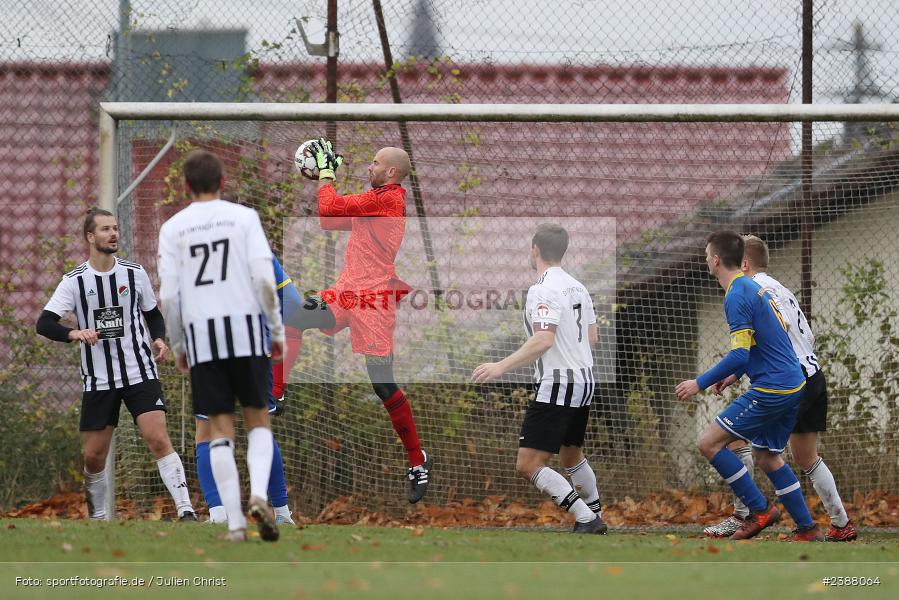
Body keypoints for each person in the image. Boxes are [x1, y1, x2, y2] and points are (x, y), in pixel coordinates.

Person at [285, 139, 432, 503]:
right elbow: (328, 218)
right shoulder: (375, 200)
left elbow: (329, 204)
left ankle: (418, 460)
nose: (370, 166)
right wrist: (325, 180)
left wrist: (326, 173)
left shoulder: (388, 198)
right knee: (295, 320)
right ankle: (276, 393)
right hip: (346, 293)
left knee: (383, 385)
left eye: (376, 162)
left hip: (374, 301)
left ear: (391, 172)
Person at [36, 208, 196, 522]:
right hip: (99, 378)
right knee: (94, 456)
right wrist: (74, 333)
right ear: (90, 236)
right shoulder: (74, 281)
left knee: (158, 438)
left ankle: (186, 510)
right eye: (105, 229)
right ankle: (99, 518)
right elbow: (44, 323)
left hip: (139, 370)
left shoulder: (134, 273)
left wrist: (159, 338)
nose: (113, 234)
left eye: (115, 228)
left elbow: (152, 314)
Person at [158, 149, 285, 542]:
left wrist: (179, 344)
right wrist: (275, 330)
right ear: (223, 182)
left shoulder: (173, 228)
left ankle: (235, 524)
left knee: (218, 430)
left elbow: (170, 296)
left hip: (203, 340)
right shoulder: (244, 218)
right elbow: (264, 279)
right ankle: (260, 495)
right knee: (258, 420)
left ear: (185, 186)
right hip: (247, 334)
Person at [703, 235, 855, 541]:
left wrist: (714, 377)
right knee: (799, 457)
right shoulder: (779, 288)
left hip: (786, 378)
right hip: (812, 374)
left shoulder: (750, 289)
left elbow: (771, 337)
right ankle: (840, 524)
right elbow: (803, 336)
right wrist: (738, 374)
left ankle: (747, 513)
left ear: (744, 263)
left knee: (727, 439)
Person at [675, 230, 823, 541]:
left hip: (773, 388)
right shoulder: (752, 287)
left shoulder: (737, 294)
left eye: (706, 256)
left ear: (716, 260)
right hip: (793, 383)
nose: (706, 261)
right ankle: (808, 529)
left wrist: (698, 382)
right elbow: (764, 343)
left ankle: (759, 510)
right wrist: (733, 375)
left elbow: (740, 353)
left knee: (709, 443)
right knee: (767, 456)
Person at [472, 224, 607, 534]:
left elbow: (544, 339)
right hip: (584, 381)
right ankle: (595, 515)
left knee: (528, 463)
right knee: (571, 454)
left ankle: (587, 518)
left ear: (535, 249)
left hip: (559, 384)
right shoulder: (578, 286)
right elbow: (592, 337)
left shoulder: (542, 289)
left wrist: (500, 366)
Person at [195, 254, 301, 526]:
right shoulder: (258, 250)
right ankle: (281, 512)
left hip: (211, 351)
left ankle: (219, 513)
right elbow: (293, 302)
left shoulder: (195, 246)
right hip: (255, 351)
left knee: (208, 432)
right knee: (260, 429)